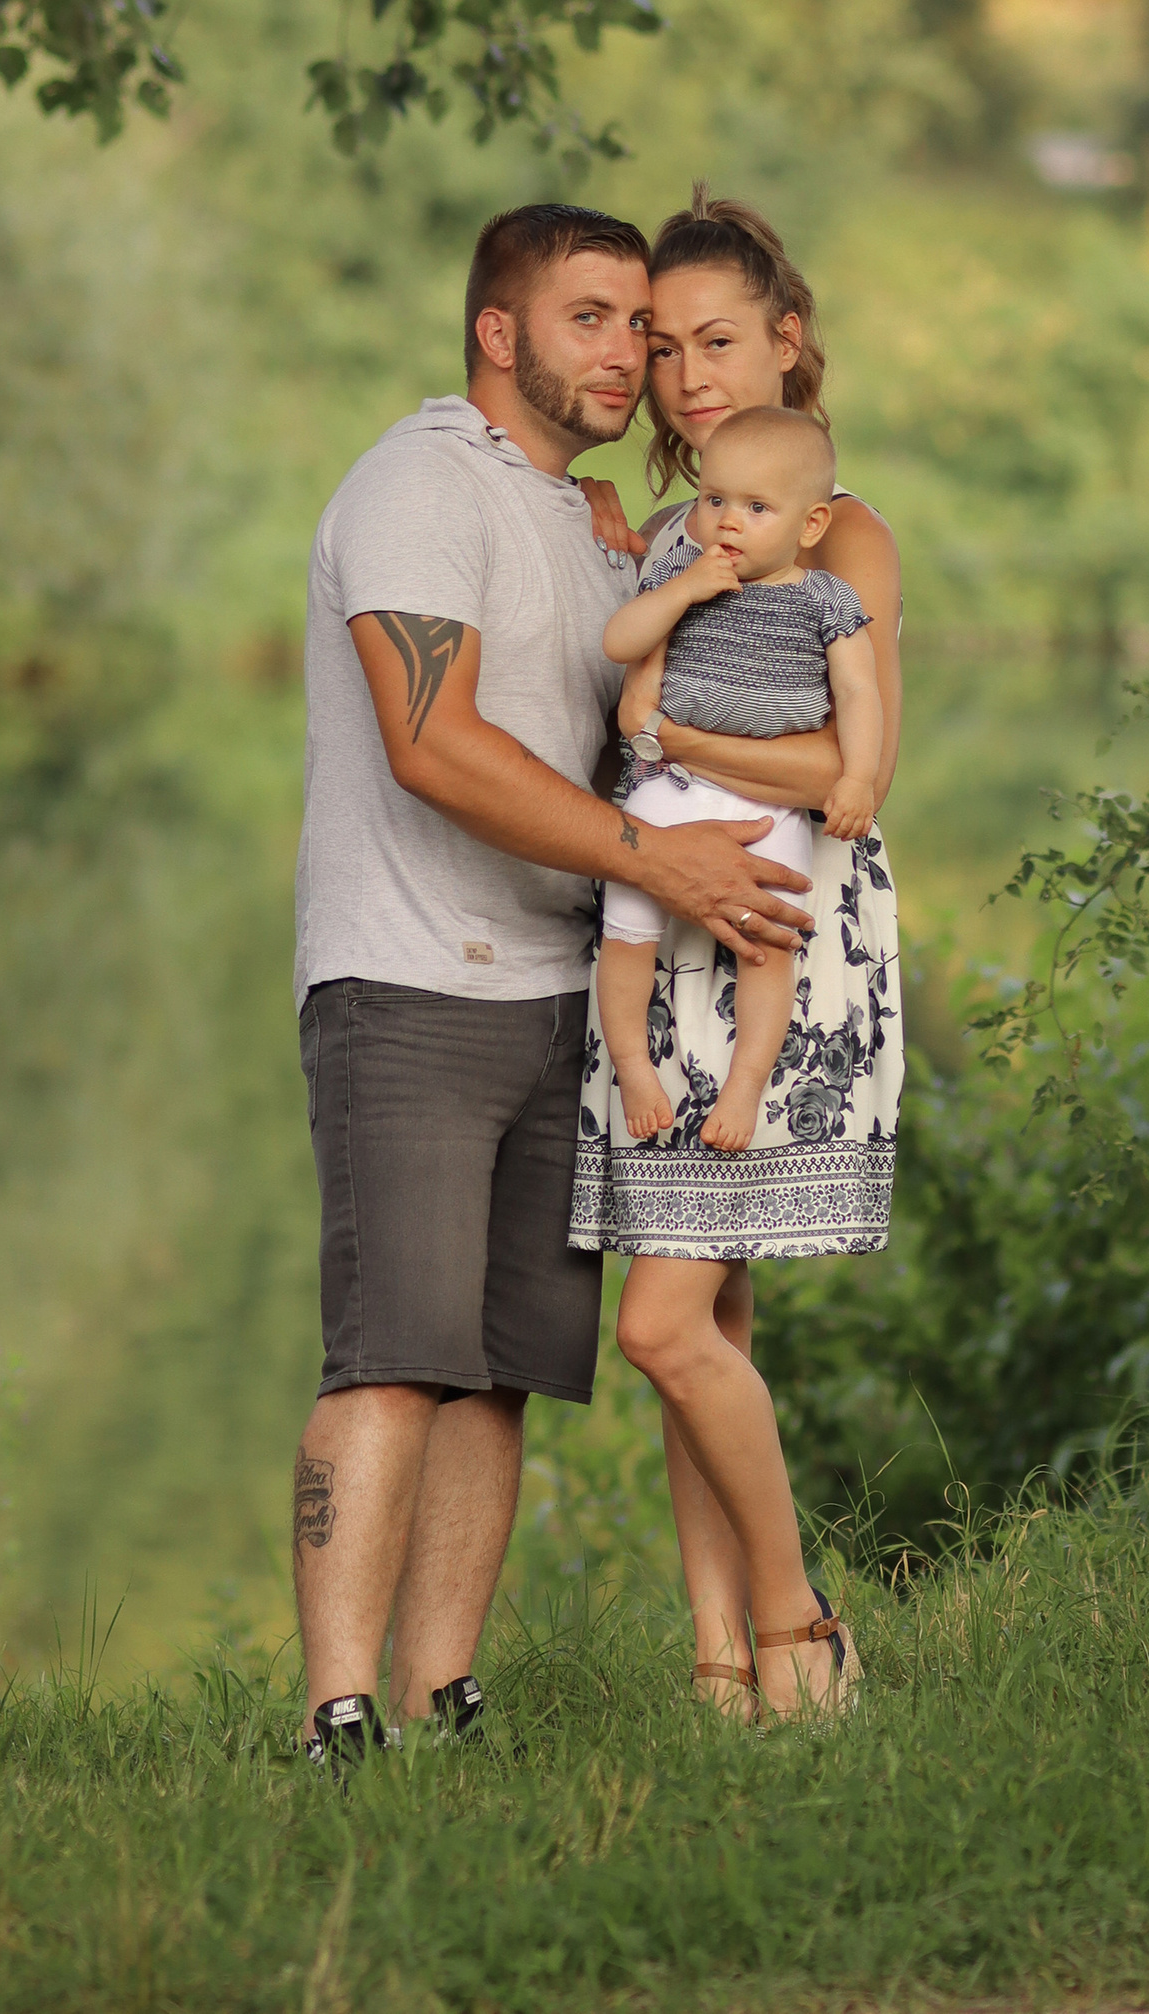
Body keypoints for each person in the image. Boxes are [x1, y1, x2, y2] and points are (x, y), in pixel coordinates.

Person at [288, 202, 813, 1769]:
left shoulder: (582, 519)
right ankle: (336, 1713)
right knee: (395, 1353)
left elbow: (653, 708)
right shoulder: (414, 485)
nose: (628, 353)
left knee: (501, 1373)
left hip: (565, 991)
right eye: (591, 317)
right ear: (496, 331)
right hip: (409, 979)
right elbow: (434, 743)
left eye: (641, 326)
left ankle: (447, 1701)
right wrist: (663, 868)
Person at [570, 190, 905, 1723]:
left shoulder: (844, 536)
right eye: (661, 345)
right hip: (661, 933)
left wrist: (672, 735)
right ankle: (719, 1666)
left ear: (787, 338)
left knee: (659, 1323)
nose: (689, 373)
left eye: (718, 339)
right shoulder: (655, 538)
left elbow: (847, 762)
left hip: (777, 926)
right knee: (706, 1322)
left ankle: (794, 1616)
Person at [595, 405, 882, 1154]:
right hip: (673, 785)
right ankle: (633, 1067)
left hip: (769, 803)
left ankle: (745, 1086)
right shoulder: (678, 572)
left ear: (810, 525)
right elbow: (619, 641)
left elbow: (858, 694)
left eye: (757, 508)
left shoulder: (826, 599)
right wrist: (685, 589)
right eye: (714, 499)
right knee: (625, 930)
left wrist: (857, 779)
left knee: (767, 949)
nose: (727, 521)